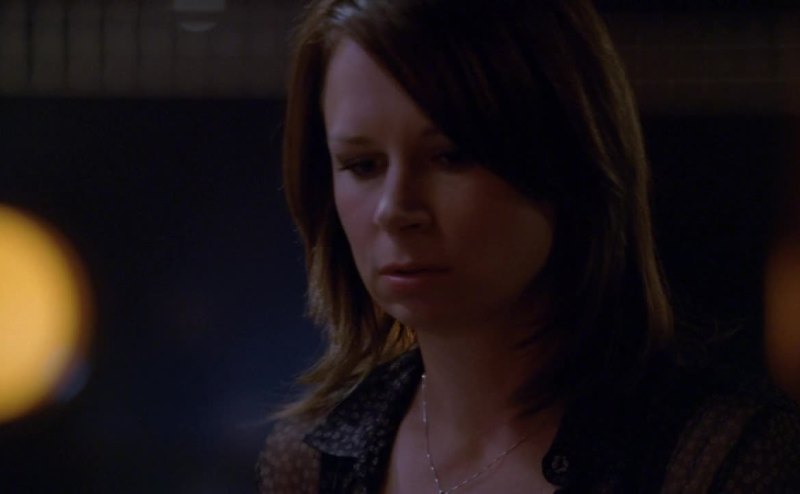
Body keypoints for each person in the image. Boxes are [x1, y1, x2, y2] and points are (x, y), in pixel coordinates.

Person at [257, 0, 800, 492]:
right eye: (363, 165)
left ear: (569, 160)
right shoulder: (311, 461)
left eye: (451, 156)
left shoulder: (719, 460)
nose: (394, 210)